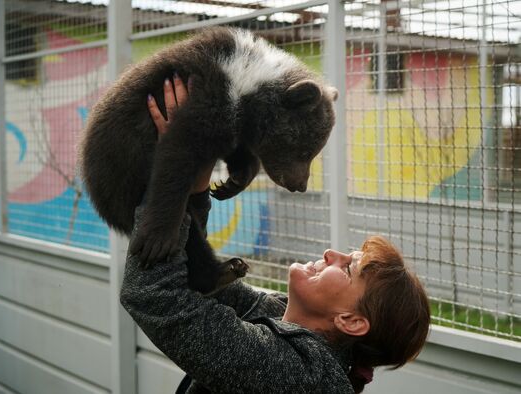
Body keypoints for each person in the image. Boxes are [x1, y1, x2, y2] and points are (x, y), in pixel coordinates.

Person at [120, 74, 431, 394]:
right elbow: (196, 286)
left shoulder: (302, 378)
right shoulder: (283, 316)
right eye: (347, 255)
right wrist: (197, 187)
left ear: (350, 321)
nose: (330, 254)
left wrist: (173, 170)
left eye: (349, 269)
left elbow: (153, 296)